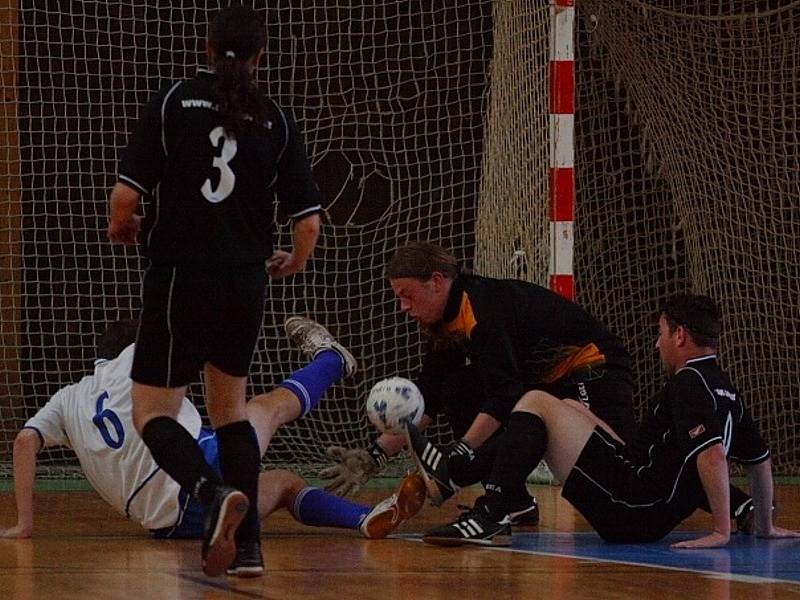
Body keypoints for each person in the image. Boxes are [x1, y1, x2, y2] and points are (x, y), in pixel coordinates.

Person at [106, 6, 322, 576]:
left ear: (207, 47)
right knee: (230, 412)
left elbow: (126, 200)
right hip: (246, 282)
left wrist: (121, 229)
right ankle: (249, 548)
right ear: (261, 57)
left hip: (181, 277)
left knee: (153, 411)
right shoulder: (276, 118)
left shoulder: (174, 100)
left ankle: (208, 492)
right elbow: (308, 223)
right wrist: (293, 263)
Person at [0, 318, 426, 577]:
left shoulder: (65, 398)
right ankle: (333, 361)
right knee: (264, 408)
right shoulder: (138, 354)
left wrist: (24, 524)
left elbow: (24, 441)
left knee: (281, 484)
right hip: (195, 469)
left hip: (167, 523)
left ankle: (365, 519)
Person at [417, 294, 800, 547]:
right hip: (645, 502)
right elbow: (760, 460)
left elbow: (712, 456)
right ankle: (459, 472)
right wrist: (762, 523)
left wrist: (720, 531)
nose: (656, 344)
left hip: (631, 509)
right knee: (567, 404)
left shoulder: (688, 383)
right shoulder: (724, 387)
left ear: (680, 335)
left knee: (535, 401)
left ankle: (492, 509)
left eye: (661, 333)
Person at [321, 241, 637, 526]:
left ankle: (459, 477)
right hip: (547, 383)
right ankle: (512, 501)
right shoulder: (444, 321)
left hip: (593, 367)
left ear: (436, 282)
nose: (403, 307)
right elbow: (428, 396)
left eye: (407, 295)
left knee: (621, 473)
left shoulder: (483, 310)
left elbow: (504, 396)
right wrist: (374, 455)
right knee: (457, 389)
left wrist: (459, 455)